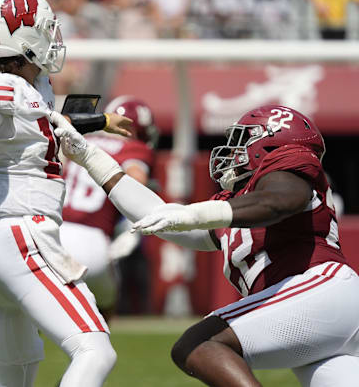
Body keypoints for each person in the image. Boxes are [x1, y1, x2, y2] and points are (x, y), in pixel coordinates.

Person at [50, 104, 359, 386]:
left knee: (198, 345)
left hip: (322, 290)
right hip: (324, 315)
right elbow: (157, 216)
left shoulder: (290, 170)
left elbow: (277, 202)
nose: (234, 149)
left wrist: (192, 213)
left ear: (271, 143)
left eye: (244, 139)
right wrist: (90, 157)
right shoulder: (236, 204)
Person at [0, 0, 134, 386]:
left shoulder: (30, 89)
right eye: (45, 27)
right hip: (23, 236)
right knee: (95, 349)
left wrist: (101, 121)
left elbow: (47, 120)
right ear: (22, 36)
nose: (52, 36)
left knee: (16, 376)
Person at [60, 96, 158, 317]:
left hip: (54, 233)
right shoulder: (133, 149)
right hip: (92, 240)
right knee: (103, 310)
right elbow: (136, 181)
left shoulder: (84, 140)